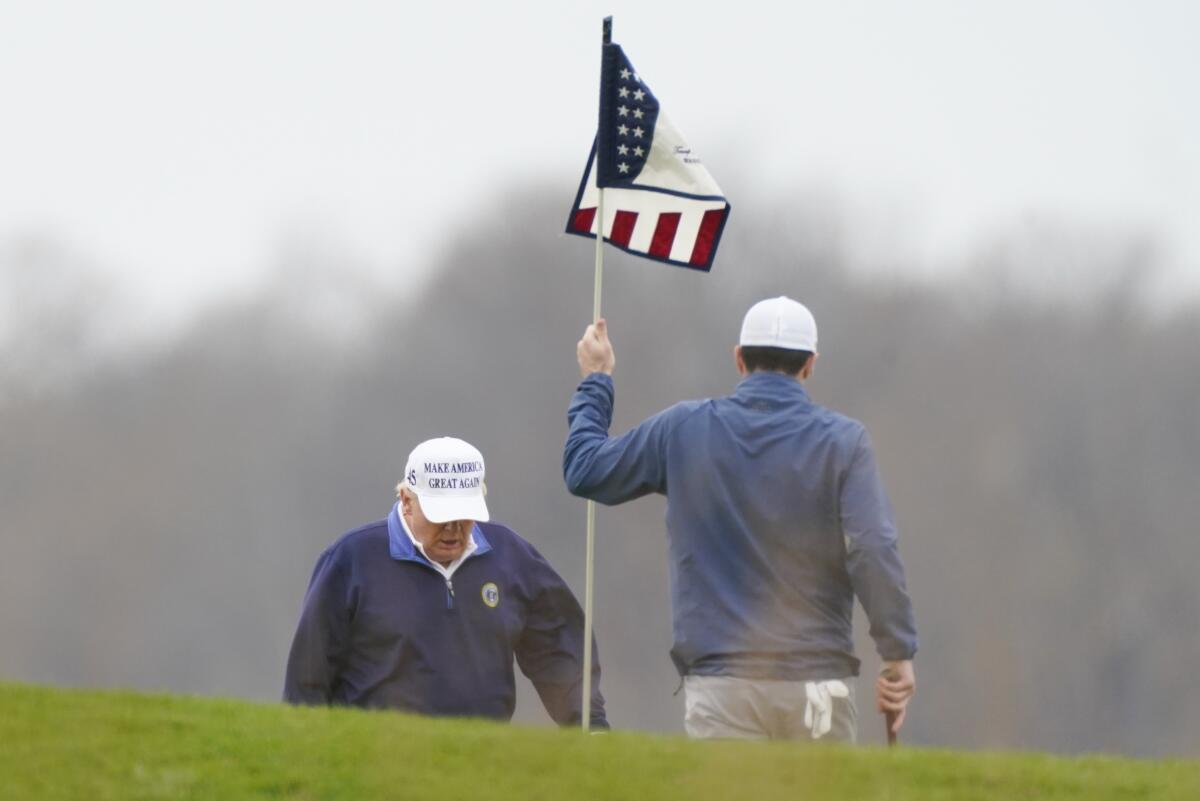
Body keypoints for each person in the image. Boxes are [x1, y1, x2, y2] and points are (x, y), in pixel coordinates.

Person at [563, 297, 916, 742]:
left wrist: (597, 380)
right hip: (819, 685)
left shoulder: (684, 429)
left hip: (722, 684)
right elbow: (872, 548)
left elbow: (586, 470)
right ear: (810, 365)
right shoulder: (845, 442)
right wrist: (897, 651)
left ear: (738, 358)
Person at [285, 436, 608, 728]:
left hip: (484, 758)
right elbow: (310, 675)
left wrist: (589, 723)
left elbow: (558, 646)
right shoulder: (351, 560)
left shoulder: (511, 556)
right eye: (441, 516)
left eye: (464, 514)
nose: (454, 528)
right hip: (375, 759)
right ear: (406, 500)